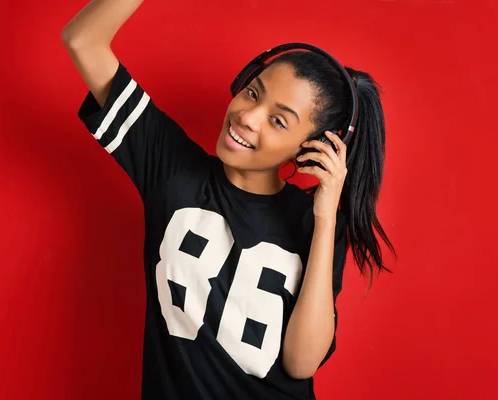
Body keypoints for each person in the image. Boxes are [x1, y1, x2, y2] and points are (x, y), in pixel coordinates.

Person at [61, 1, 395, 399]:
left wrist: (325, 220)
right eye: (253, 92)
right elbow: (83, 41)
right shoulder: (172, 169)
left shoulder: (316, 224)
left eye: (278, 120)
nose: (248, 116)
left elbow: (301, 362)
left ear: (309, 148)